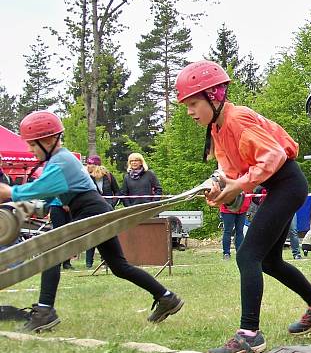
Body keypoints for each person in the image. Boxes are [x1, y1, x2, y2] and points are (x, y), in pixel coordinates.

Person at [176, 60, 311, 353]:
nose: (189, 111)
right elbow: (228, 169)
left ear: (213, 96)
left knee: (247, 254)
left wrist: (239, 185)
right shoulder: (217, 127)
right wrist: (220, 187)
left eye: (192, 103)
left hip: (287, 183)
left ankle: (249, 335)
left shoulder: (236, 120)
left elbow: (273, 156)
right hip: (279, 186)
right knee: (268, 261)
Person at [0, 111, 182, 332]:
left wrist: (10, 191)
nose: (30, 149)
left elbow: (38, 190)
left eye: (32, 144)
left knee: (52, 254)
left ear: (48, 140)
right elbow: (46, 199)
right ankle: (166, 297)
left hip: (90, 211)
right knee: (119, 266)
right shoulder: (59, 161)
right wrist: (23, 209)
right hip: (93, 210)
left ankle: (45, 312)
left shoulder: (61, 162)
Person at [85, 155, 120, 267]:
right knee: (91, 235)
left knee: (107, 235)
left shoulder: (108, 176)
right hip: (92, 210)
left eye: (90, 164)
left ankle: (105, 260)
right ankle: (89, 263)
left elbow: (118, 192)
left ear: (96, 165)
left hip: (107, 210)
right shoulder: (87, 178)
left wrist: (112, 204)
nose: (88, 166)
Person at [220, 192, 251, 260]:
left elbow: (249, 191)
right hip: (228, 209)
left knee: (240, 231)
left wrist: (248, 202)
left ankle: (240, 254)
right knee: (228, 231)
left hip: (242, 209)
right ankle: (226, 254)